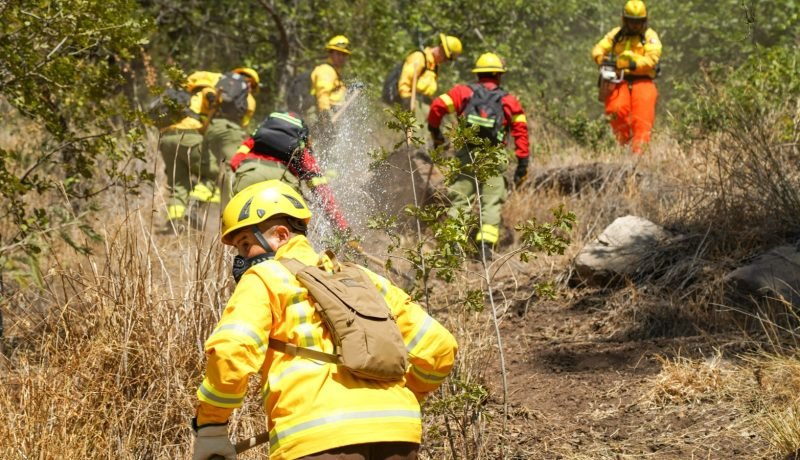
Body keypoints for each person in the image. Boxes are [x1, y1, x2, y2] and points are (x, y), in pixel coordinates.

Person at [191, 180, 458, 460]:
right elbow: (440, 347)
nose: (242, 258)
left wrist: (211, 426)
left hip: (316, 439)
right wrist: (400, 397)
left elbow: (231, 351)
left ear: (281, 235)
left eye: (246, 244)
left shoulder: (266, 277)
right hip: (398, 436)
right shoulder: (366, 279)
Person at [427, 52, 530, 261]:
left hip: (467, 152)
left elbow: (437, 106)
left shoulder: (463, 92)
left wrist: (435, 133)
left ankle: (453, 249)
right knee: (491, 202)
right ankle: (485, 250)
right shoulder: (509, 100)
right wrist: (523, 162)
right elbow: (521, 132)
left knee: (460, 199)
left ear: (478, 74)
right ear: (498, 75)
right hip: (494, 155)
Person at [228, 111, 350, 232]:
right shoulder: (300, 147)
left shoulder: (256, 138)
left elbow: (234, 162)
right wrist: (342, 228)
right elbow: (321, 190)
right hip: (282, 185)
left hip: (250, 176)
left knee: (242, 234)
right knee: (288, 240)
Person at [591, 0, 662, 154]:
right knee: (615, 110)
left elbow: (652, 59)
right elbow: (598, 48)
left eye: (639, 22)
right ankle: (624, 147)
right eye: (632, 22)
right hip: (619, 80)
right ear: (625, 20)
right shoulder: (616, 34)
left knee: (641, 119)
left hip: (643, 80)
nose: (635, 26)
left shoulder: (650, 36)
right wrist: (601, 59)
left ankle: (639, 156)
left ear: (645, 21)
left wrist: (631, 64)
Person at [158, 71, 219, 227]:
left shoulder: (181, 96)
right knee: (212, 174)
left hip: (166, 139)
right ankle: (193, 207)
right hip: (189, 137)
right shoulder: (205, 90)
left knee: (179, 183)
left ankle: (174, 222)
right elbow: (212, 99)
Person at [203, 67, 260, 205]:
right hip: (231, 130)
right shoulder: (249, 98)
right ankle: (230, 205)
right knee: (232, 168)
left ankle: (199, 203)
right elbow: (244, 123)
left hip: (211, 127)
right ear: (251, 84)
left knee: (211, 169)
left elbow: (206, 94)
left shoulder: (219, 81)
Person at [397, 33, 462, 115]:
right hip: (409, 101)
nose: (445, 61)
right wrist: (406, 102)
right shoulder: (419, 57)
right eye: (446, 57)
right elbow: (405, 82)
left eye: (449, 60)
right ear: (441, 48)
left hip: (422, 104)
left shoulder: (435, 67)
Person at [311, 35, 351, 136]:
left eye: (343, 55)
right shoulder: (326, 70)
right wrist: (325, 118)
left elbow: (337, 95)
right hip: (322, 115)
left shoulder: (335, 72)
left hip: (332, 115)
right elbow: (322, 94)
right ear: (330, 53)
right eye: (338, 54)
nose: (341, 57)